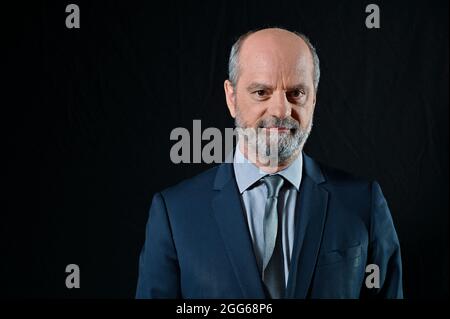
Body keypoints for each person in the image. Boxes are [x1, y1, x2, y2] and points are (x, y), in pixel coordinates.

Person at [136, 27, 403, 299]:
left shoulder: (363, 204)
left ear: (314, 97)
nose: (280, 110)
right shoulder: (175, 214)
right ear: (232, 98)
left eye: (296, 93)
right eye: (262, 92)